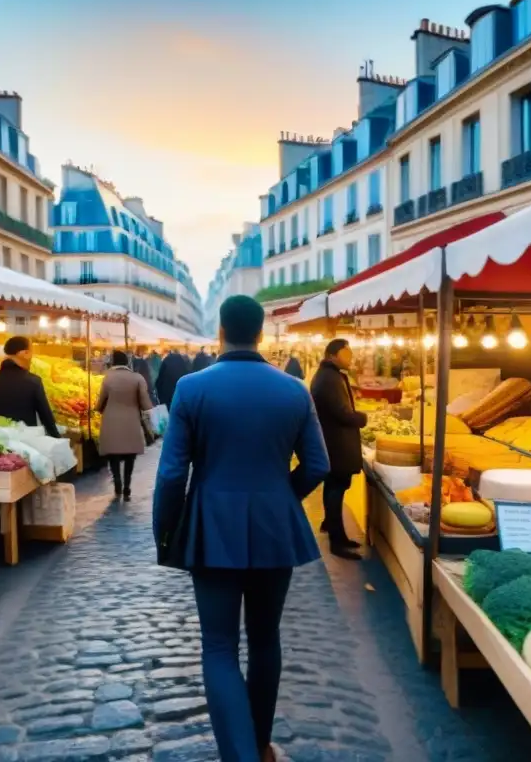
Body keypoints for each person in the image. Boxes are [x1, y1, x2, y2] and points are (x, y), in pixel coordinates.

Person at [153, 295, 329, 762]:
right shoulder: (295, 389)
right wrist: (283, 498)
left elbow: (171, 475)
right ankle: (259, 743)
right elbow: (318, 464)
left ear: (220, 332)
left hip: (212, 526)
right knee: (266, 636)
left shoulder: (192, 388)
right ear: (262, 332)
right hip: (275, 524)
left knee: (219, 645)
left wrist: (166, 533)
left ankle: (239, 755)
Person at [310, 338, 367, 560]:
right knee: (336, 489)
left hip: (333, 442)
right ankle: (337, 541)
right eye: (346, 353)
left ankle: (335, 531)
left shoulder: (329, 375)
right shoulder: (329, 378)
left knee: (334, 487)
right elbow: (341, 413)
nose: (350, 357)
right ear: (332, 355)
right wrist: (362, 417)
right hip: (336, 443)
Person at [96, 350, 153, 500]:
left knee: (113, 455)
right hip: (131, 421)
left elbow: (101, 401)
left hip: (111, 421)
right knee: (130, 456)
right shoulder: (137, 378)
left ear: (113, 362)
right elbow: (146, 403)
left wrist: (99, 409)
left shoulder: (108, 378)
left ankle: (117, 483)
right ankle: (127, 485)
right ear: (127, 362)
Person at [0, 336, 61, 438]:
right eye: (31, 352)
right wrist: (57, 439)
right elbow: (46, 418)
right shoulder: (33, 382)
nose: (32, 357)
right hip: (26, 442)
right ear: (24, 354)